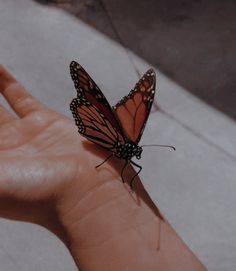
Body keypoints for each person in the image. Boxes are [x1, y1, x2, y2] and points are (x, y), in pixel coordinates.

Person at [0, 65, 206, 271]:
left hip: (101, 137)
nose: (137, 154)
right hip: (99, 130)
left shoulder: (127, 145)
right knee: (119, 138)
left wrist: (99, 196)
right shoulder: (126, 142)